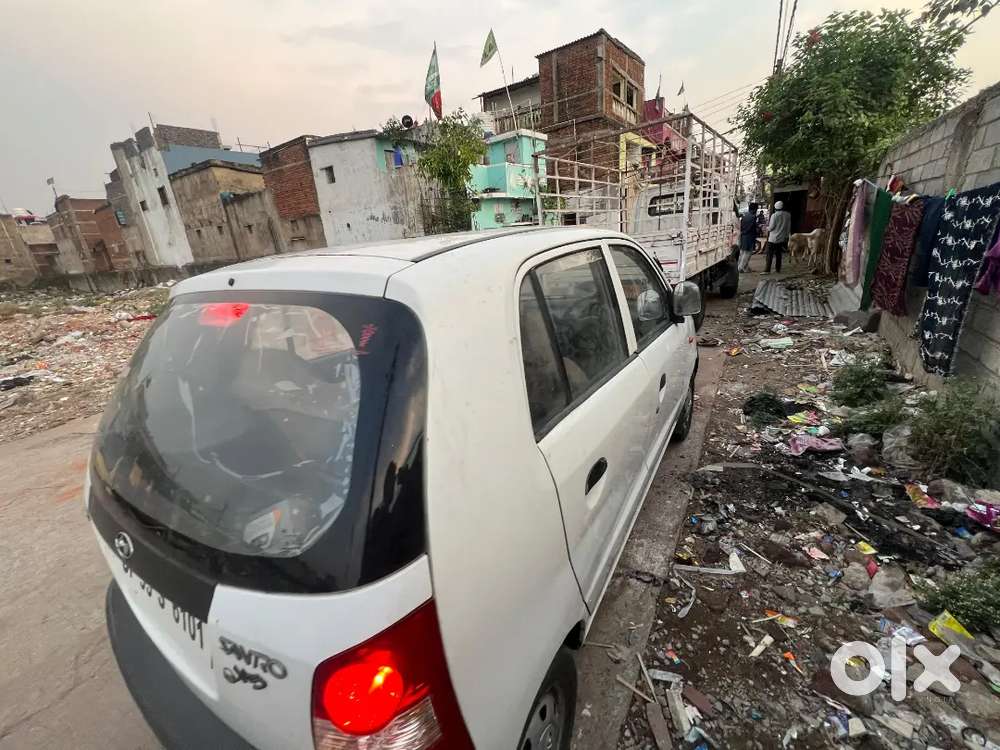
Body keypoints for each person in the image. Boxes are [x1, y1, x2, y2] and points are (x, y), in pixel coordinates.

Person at [765, 200, 791, 273]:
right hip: (781, 238)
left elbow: (771, 227)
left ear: (775, 208)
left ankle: (767, 270)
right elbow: (788, 227)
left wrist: (766, 228)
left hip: (773, 239)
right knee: (778, 254)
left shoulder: (774, 215)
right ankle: (778, 269)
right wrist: (786, 237)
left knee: (769, 254)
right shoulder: (788, 215)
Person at [738, 203, 758, 272]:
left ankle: (744, 267)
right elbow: (752, 227)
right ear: (754, 209)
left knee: (742, 252)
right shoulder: (753, 217)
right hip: (749, 236)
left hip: (743, 235)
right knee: (747, 253)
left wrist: (743, 232)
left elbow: (741, 226)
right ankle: (741, 268)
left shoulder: (744, 215)